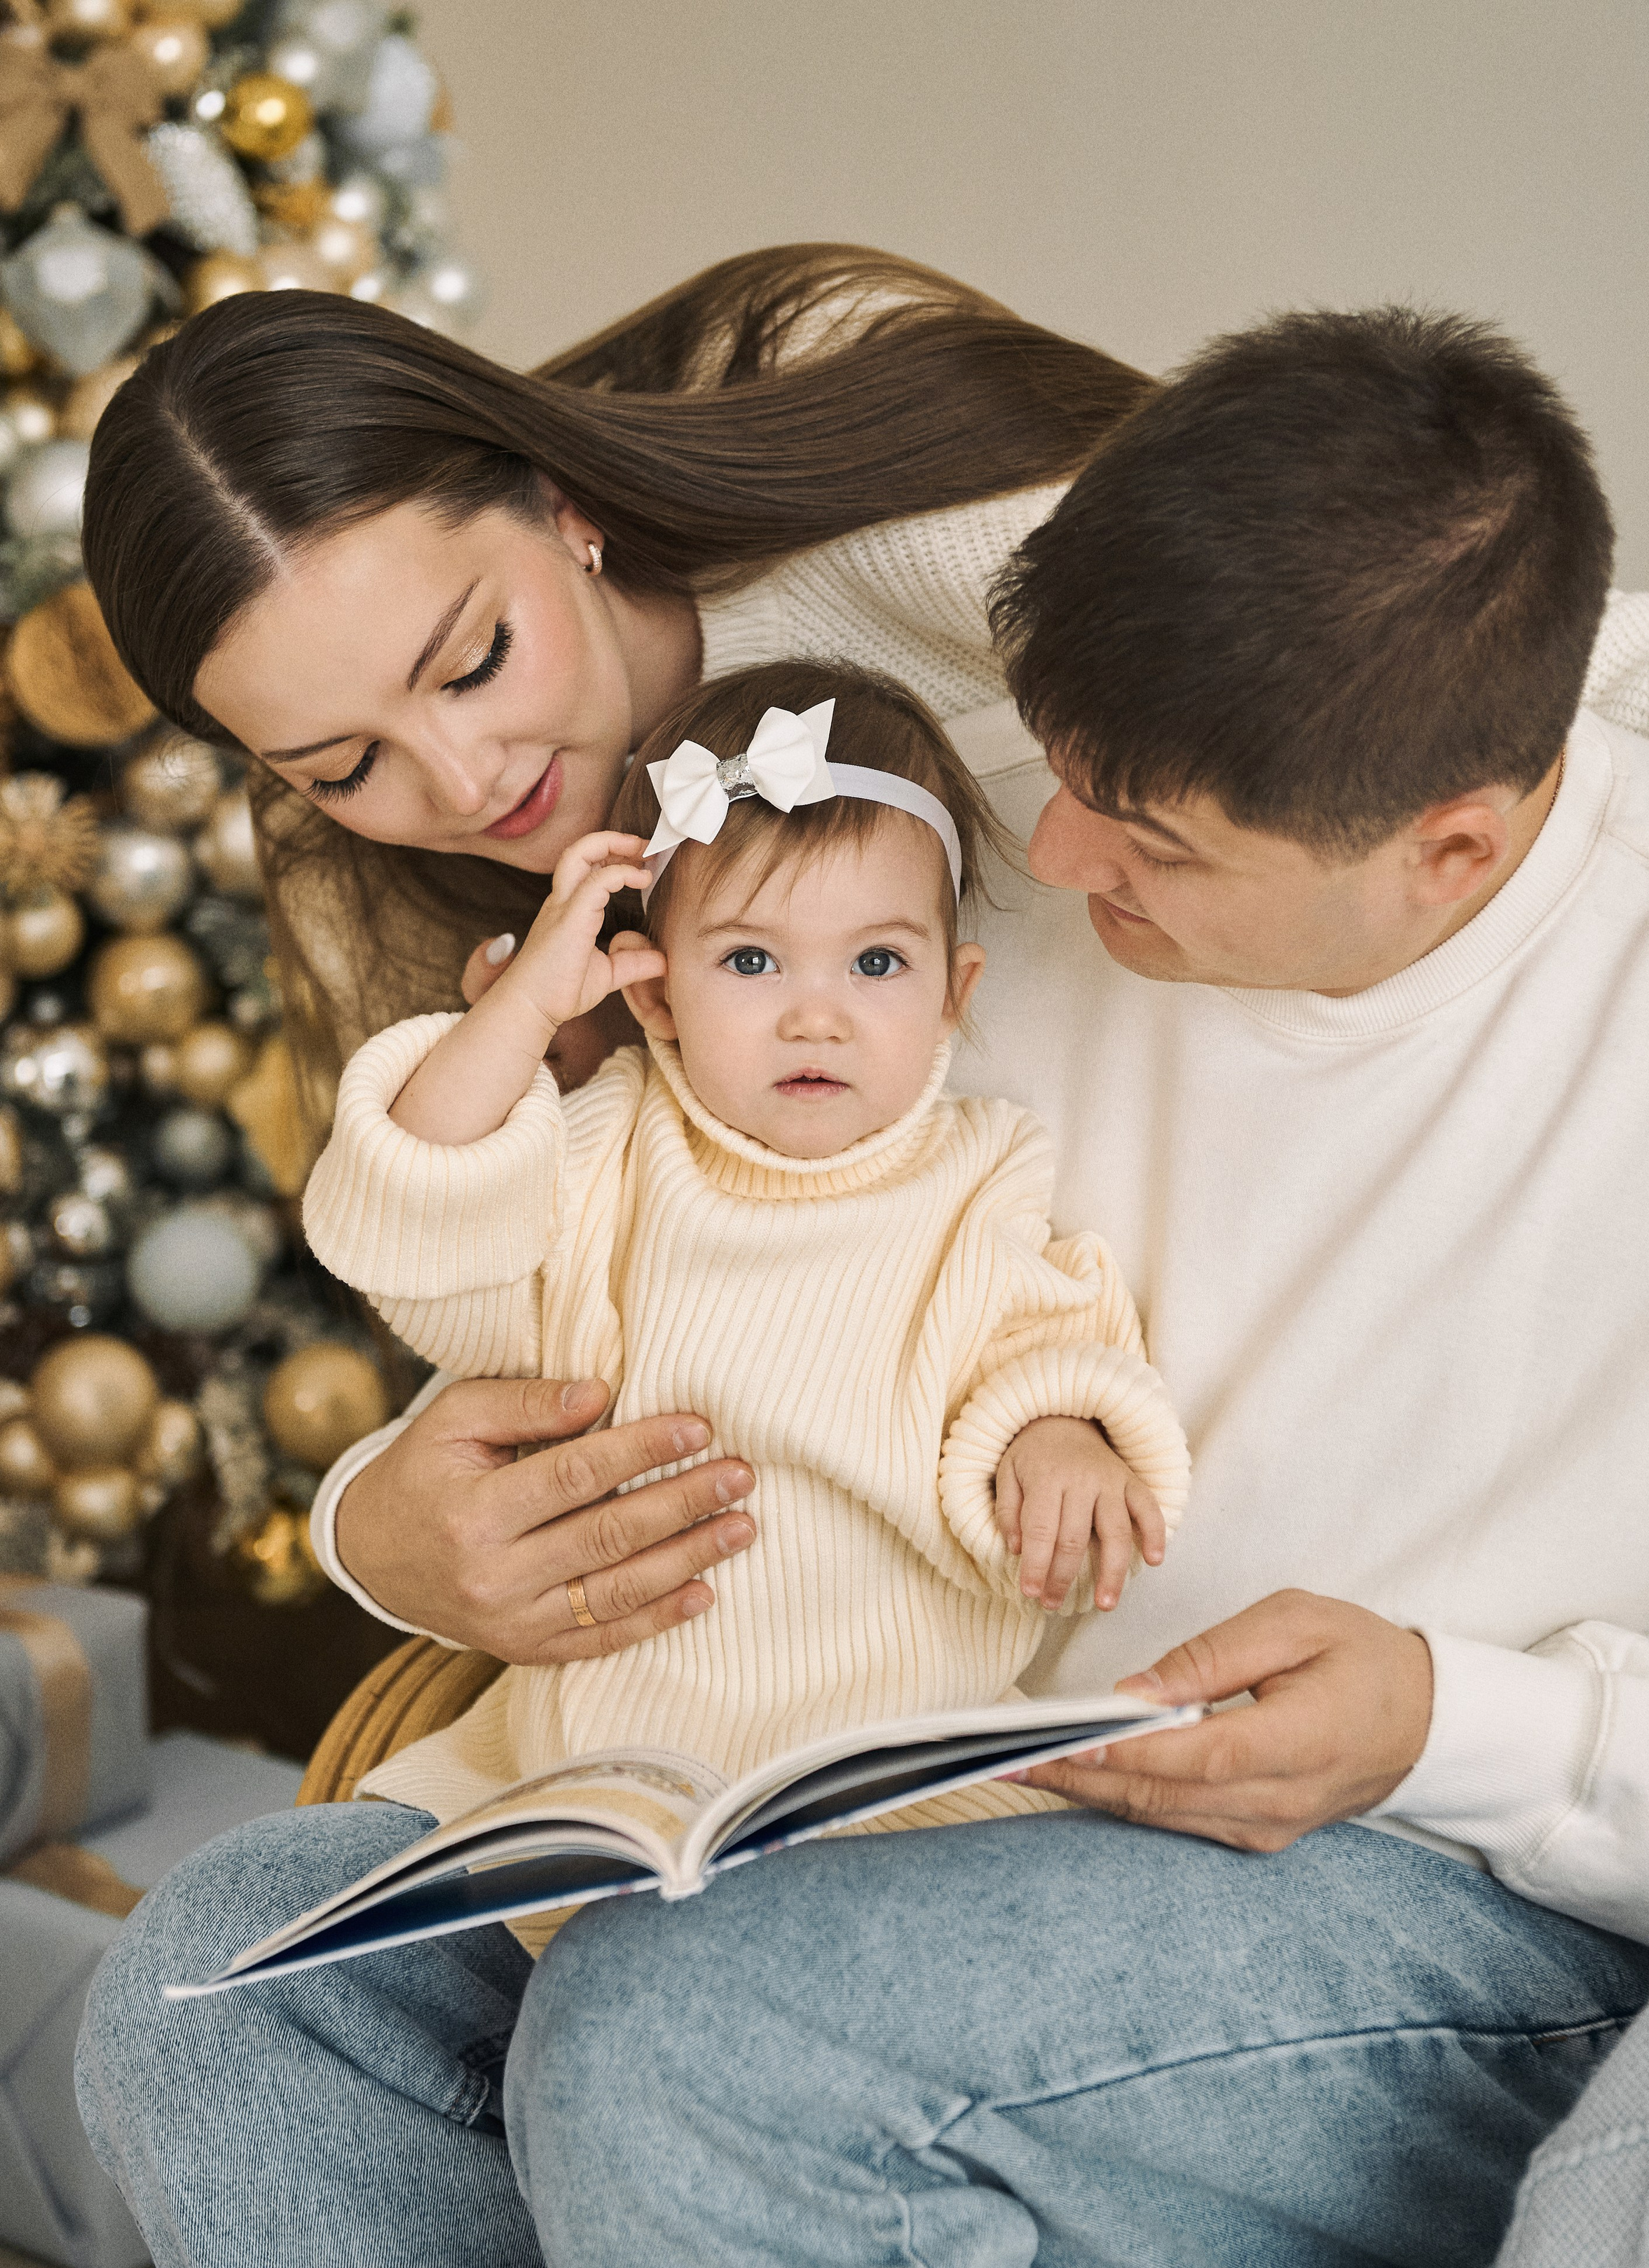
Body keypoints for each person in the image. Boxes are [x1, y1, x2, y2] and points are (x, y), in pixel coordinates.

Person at [69, 262, 1649, 2268]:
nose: (1043, 855)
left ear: (1449, 845)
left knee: (697, 2033)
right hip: (926, 1789)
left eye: (1136, 835)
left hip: (1437, 1895)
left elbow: (1544, 631)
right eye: (346, 756)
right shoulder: (954, 864)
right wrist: (373, 1512)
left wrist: (1452, 1720)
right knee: (213, 1997)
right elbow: (620, 1273)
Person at [299, 661, 1189, 1923]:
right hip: (599, 1779)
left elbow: (1049, 1342)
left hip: (885, 1790)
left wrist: (1053, 1434)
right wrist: (522, 1006)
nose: (816, 1017)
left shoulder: (980, 1175)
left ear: (955, 993)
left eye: (877, 963)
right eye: (754, 961)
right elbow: (417, 1238)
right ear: (655, 987)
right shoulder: (610, 1151)